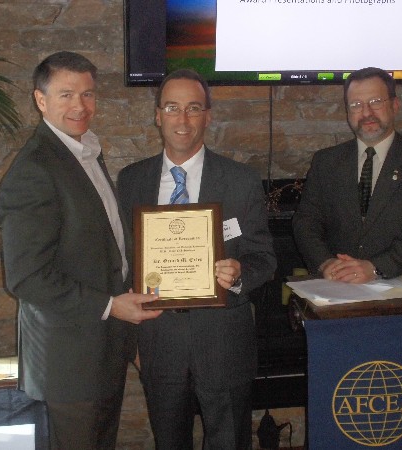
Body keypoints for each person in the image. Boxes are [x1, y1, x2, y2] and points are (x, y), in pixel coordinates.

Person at [0, 51, 161, 450]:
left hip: (103, 350)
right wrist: (111, 305)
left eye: (87, 94)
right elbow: (26, 277)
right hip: (69, 364)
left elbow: (103, 247)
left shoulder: (84, 149)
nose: (80, 106)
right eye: (66, 95)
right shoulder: (35, 168)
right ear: (40, 100)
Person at [117, 69, 276, 449]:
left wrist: (238, 274)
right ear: (158, 115)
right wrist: (130, 339)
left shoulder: (240, 180)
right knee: (169, 442)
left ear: (208, 115)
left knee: (229, 442)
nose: (182, 119)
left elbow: (264, 259)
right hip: (158, 340)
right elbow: (120, 263)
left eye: (193, 108)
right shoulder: (131, 181)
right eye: (172, 108)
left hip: (223, 341)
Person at [293, 66, 402, 287]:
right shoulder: (325, 162)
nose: (366, 113)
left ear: (395, 105)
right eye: (356, 105)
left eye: (376, 102)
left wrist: (375, 267)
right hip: (338, 284)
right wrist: (326, 263)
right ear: (347, 112)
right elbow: (306, 222)